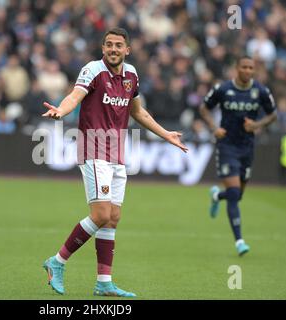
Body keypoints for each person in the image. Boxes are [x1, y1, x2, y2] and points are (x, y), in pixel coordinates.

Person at [41, 28, 188, 297]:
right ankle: (57, 262)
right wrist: (61, 110)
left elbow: (138, 111)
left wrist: (166, 134)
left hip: (117, 152)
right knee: (101, 215)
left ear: (127, 50)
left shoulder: (131, 75)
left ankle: (104, 282)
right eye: (108, 45)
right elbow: (75, 96)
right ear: (102, 48)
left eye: (118, 45)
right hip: (93, 147)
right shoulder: (92, 70)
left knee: (112, 219)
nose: (113, 49)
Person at [199, 56, 277, 256]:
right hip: (227, 146)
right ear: (237, 68)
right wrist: (214, 128)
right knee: (234, 194)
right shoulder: (223, 89)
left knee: (238, 194)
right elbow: (204, 108)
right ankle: (239, 241)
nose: (248, 70)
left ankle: (217, 196)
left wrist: (257, 125)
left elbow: (272, 115)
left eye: (251, 67)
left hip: (247, 147)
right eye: (244, 67)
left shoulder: (260, 91)